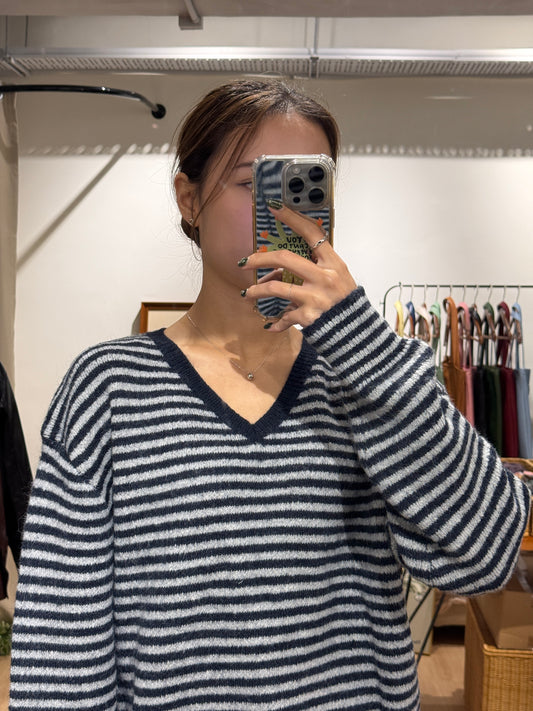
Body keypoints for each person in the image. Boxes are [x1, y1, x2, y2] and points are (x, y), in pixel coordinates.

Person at [9, 78, 530, 711]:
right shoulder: (107, 389)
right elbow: (62, 649)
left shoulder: (374, 374)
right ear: (189, 199)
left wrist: (363, 347)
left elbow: (485, 556)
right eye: (255, 183)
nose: (286, 214)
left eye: (307, 185)